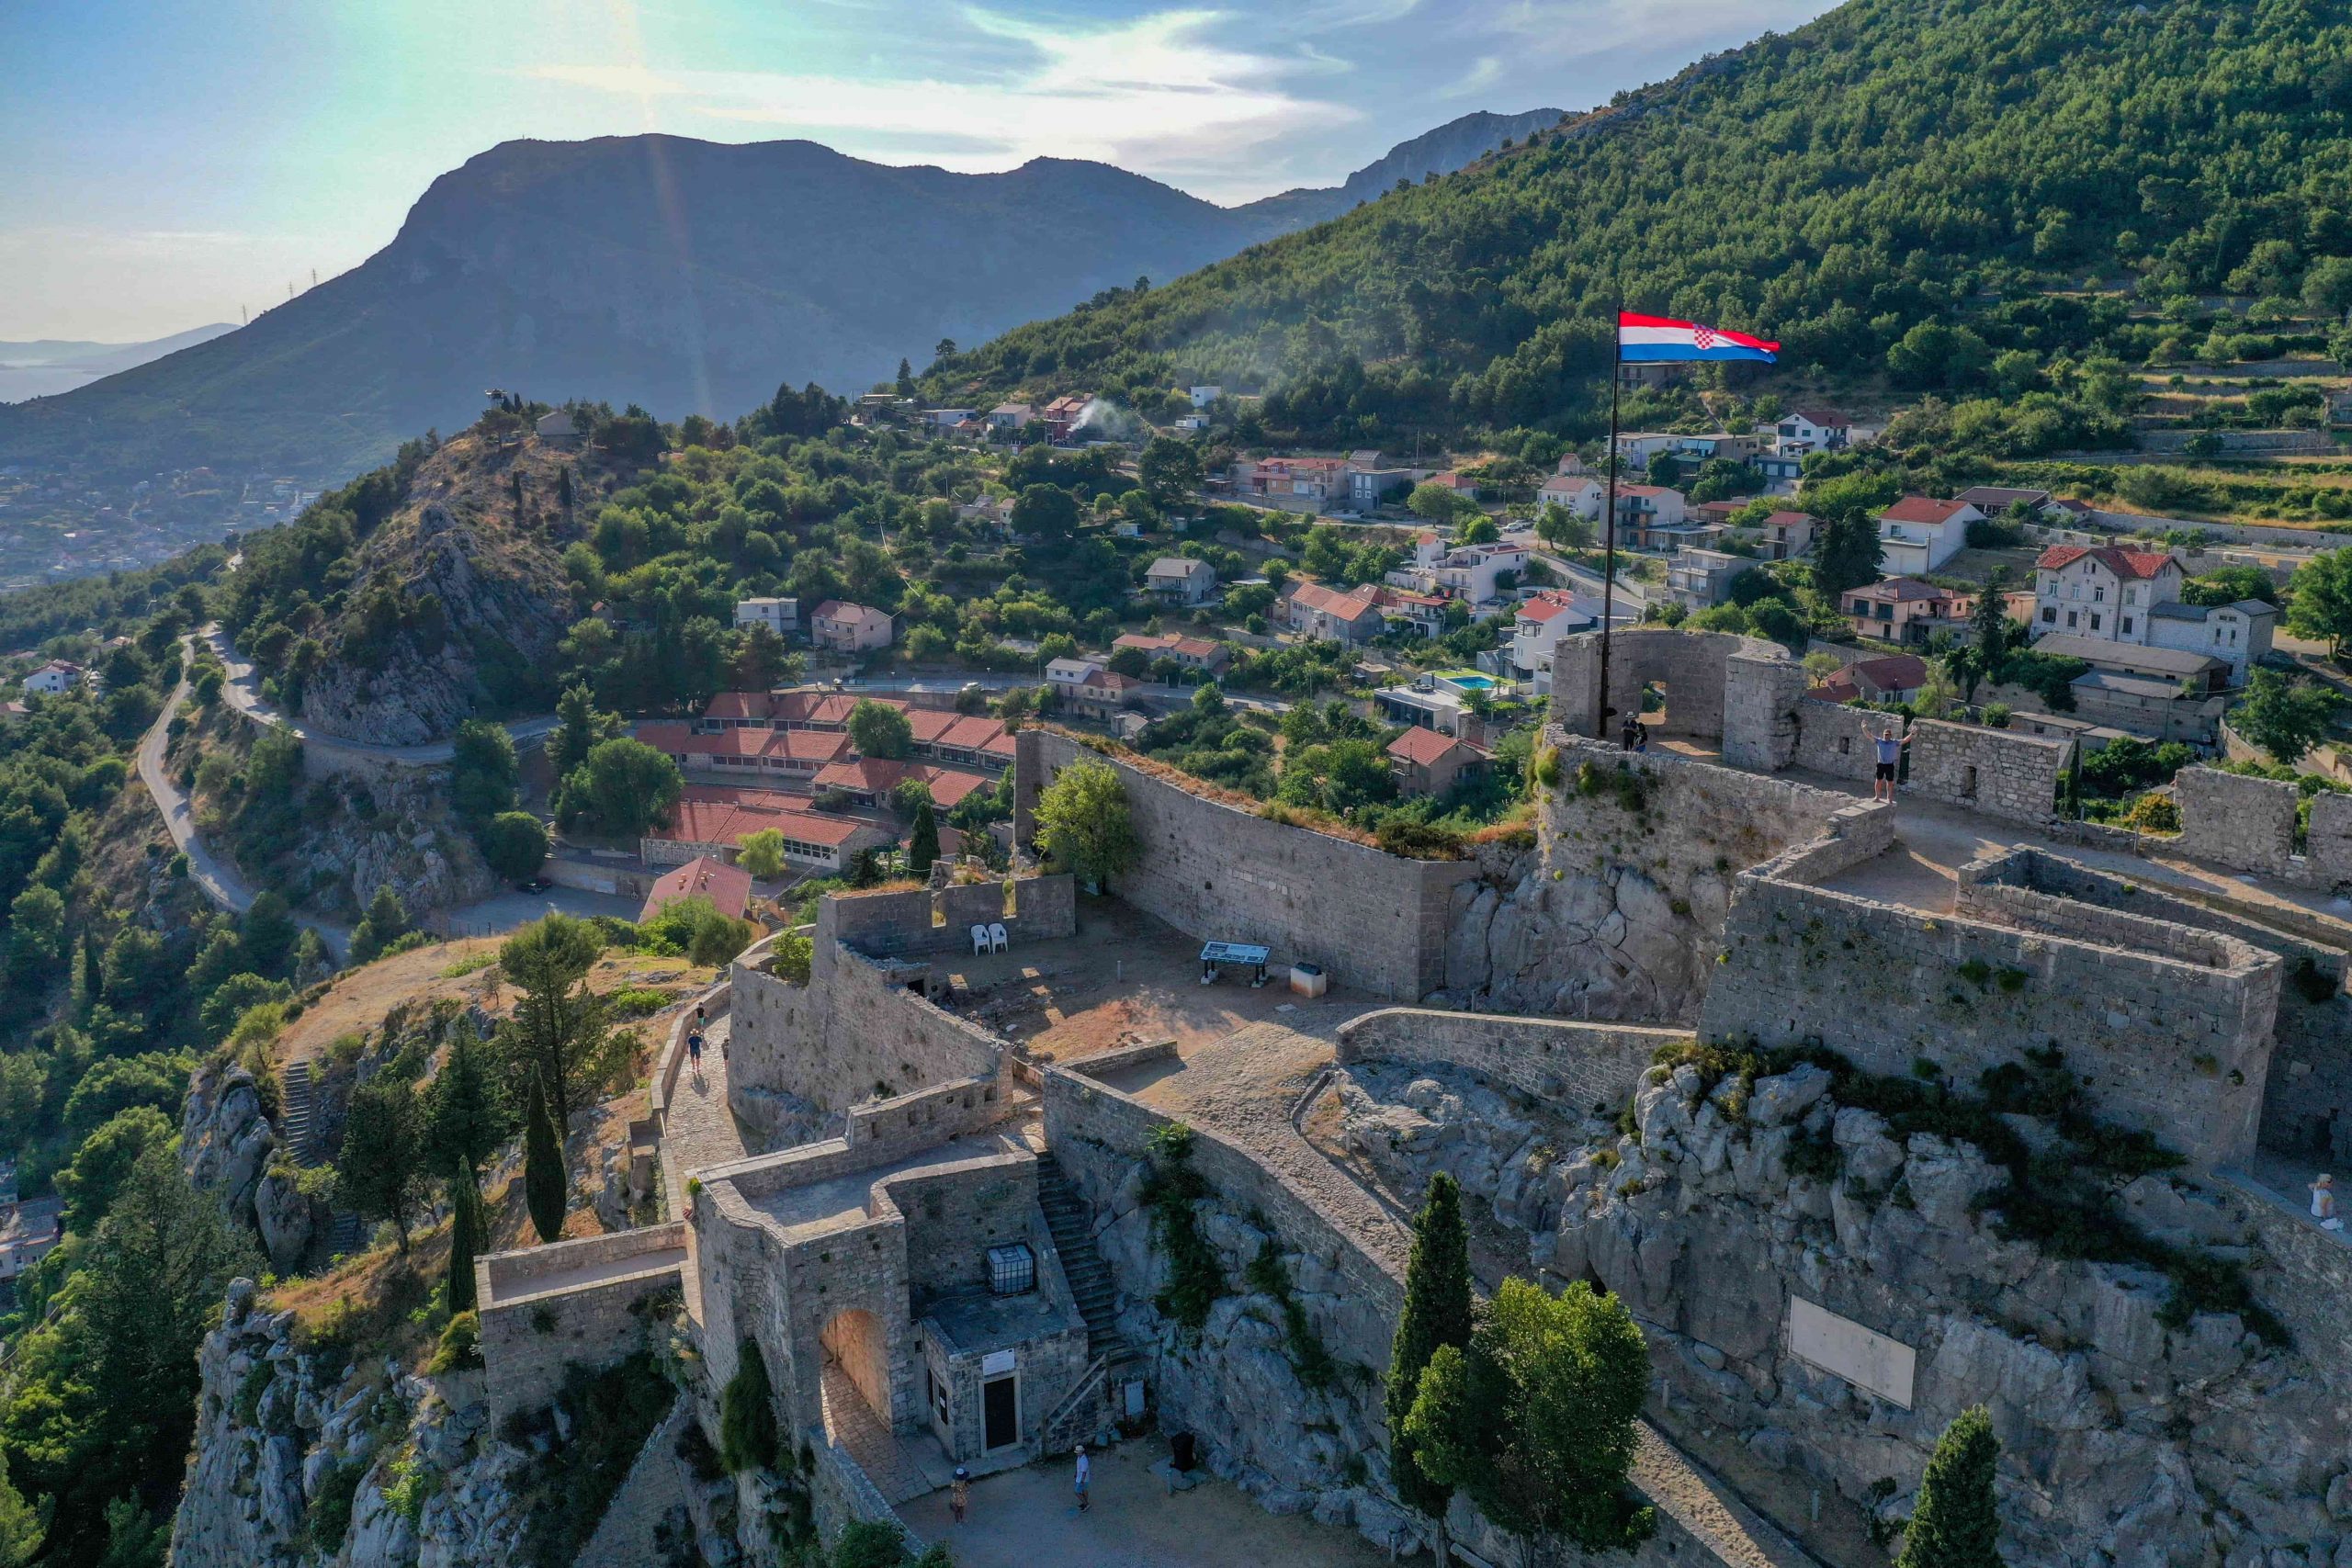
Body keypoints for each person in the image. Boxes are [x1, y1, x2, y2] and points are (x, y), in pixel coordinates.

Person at [1871, 722, 1908, 803]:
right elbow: (1869, 736)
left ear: (1890, 735)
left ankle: (1889, 798)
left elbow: (1905, 740)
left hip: (1889, 765)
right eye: (1885, 734)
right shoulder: (1879, 741)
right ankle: (1877, 797)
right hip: (1880, 764)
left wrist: (1912, 734)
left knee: (1890, 782)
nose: (1886, 736)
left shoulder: (1894, 742)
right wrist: (1864, 728)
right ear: (1883, 735)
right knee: (1878, 781)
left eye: (1888, 734)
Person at [1073, 1444, 1091, 1512]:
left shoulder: (1084, 1460)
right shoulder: (1080, 1457)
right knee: (1084, 1490)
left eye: (1077, 1452)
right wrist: (1076, 1473)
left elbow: (1084, 1472)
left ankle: (1086, 1504)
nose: (1076, 1453)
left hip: (1082, 1479)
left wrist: (1082, 1480)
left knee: (1076, 1492)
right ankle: (1085, 1503)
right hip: (1081, 1478)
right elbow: (1079, 1467)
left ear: (1081, 1452)